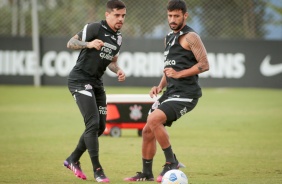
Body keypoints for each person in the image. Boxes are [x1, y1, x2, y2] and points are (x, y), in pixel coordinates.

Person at [124, 0, 209, 182]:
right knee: (147, 130)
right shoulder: (168, 37)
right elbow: (169, 68)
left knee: (154, 120)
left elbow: (204, 65)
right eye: (170, 15)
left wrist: (179, 74)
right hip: (170, 92)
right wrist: (160, 85)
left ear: (185, 15)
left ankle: (171, 162)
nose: (172, 19)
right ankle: (146, 173)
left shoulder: (191, 37)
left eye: (176, 16)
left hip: (187, 94)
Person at [63, 0, 126, 183]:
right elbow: (70, 43)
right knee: (92, 124)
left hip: (97, 83)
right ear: (107, 15)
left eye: (123, 15)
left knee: (100, 127)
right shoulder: (94, 28)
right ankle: (98, 170)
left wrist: (118, 70)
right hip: (79, 80)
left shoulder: (118, 38)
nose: (120, 19)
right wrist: (88, 44)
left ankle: (73, 159)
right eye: (116, 15)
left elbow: (112, 61)